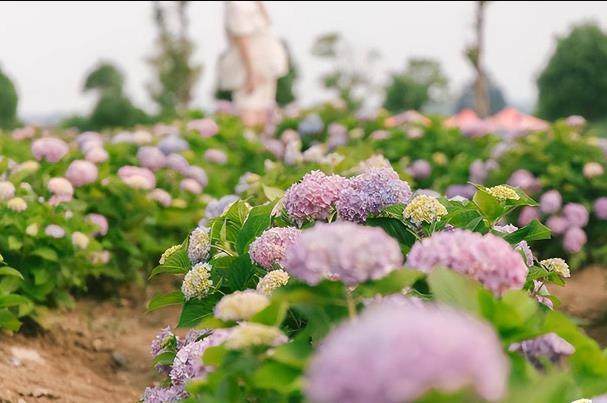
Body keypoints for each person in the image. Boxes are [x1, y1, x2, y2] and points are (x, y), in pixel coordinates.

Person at [218, 1, 288, 127]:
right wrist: (251, 73)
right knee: (249, 110)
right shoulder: (237, 5)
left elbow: (267, 20)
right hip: (249, 70)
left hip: (265, 67)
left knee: (265, 112)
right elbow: (242, 39)